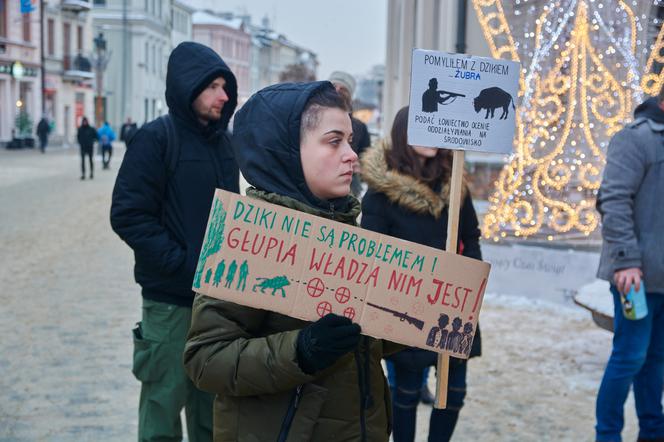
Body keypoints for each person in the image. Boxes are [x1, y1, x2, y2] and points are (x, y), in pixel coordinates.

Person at [183, 81, 401, 441]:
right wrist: (302, 350)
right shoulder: (249, 237)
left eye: (350, 141)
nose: (352, 155)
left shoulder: (348, 228)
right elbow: (206, 360)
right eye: (334, 141)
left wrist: (417, 320)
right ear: (285, 150)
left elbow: (357, 339)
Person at [110, 41, 239, 442]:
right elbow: (128, 215)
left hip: (216, 304)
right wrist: (181, 263)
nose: (224, 96)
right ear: (188, 87)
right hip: (169, 303)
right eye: (214, 86)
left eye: (225, 87)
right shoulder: (155, 139)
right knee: (162, 408)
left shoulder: (223, 144)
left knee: (211, 413)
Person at [360, 106, 482, 442]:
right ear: (404, 133)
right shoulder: (380, 195)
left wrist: (470, 283)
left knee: (453, 393)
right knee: (406, 396)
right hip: (405, 311)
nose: (433, 135)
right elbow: (372, 254)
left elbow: (470, 236)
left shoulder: (455, 184)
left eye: (436, 128)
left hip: (453, 308)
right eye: (423, 127)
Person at [595, 89, 664, 442]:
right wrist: (625, 262)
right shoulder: (634, 139)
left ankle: (653, 432)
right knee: (630, 357)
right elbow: (613, 200)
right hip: (634, 277)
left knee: (656, 360)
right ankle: (607, 435)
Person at [329, 71, 371, 197]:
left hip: (348, 188)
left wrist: (360, 169)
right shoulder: (311, 120)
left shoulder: (360, 127)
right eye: (333, 86)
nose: (337, 90)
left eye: (342, 88)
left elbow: (367, 158)